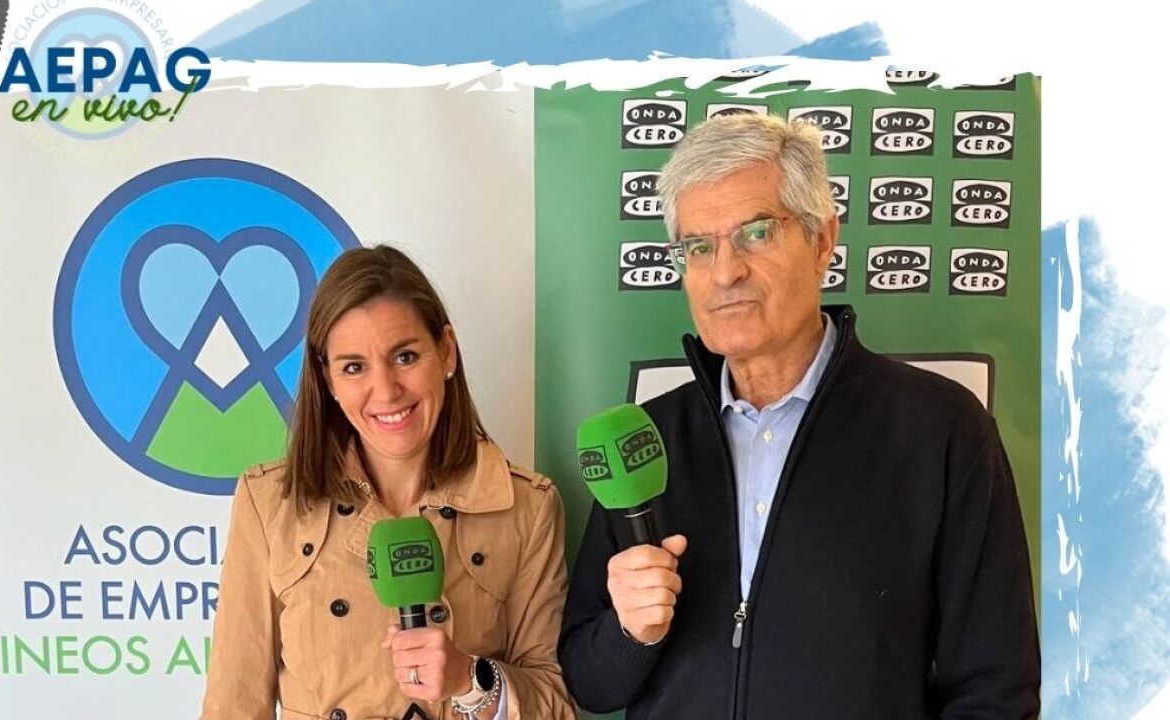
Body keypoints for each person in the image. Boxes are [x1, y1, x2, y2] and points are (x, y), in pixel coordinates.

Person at [558, 113, 1040, 719]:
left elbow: (996, 690)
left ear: (821, 240)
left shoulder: (941, 429)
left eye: (756, 233)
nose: (725, 271)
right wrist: (631, 634)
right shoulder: (645, 441)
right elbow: (590, 683)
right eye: (699, 247)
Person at [202, 245, 576, 720]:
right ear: (328, 380)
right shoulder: (268, 503)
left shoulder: (527, 507)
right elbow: (233, 705)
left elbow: (556, 703)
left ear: (446, 351)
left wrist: (470, 679)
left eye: (405, 356)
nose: (385, 390)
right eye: (354, 367)